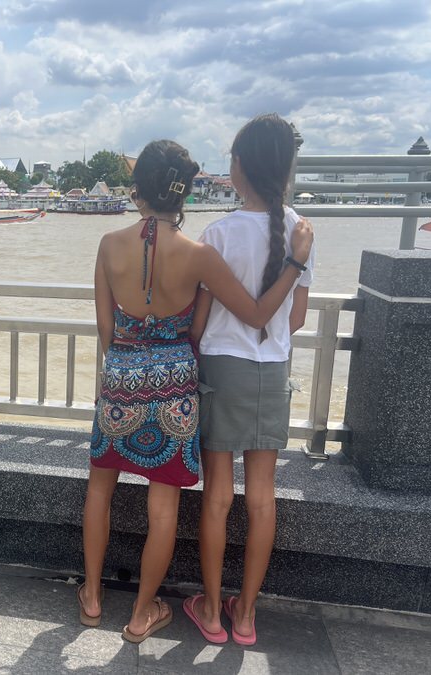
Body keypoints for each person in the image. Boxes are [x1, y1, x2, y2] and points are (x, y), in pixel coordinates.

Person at [78, 139, 313, 643]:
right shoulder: (199, 254)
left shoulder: (108, 244)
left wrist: (124, 366)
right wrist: (294, 265)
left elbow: (105, 329)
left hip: (120, 378)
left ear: (138, 187)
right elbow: (252, 315)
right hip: (173, 390)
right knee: (161, 509)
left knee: (99, 490)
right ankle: (142, 615)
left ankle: (93, 598)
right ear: (182, 194)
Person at [186, 113, 315, 646]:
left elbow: (198, 324)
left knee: (217, 495)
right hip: (273, 371)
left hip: (224, 369)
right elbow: (297, 319)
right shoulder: (302, 232)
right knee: (262, 497)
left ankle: (212, 612)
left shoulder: (217, 233)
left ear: (240, 169)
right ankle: (245, 618)